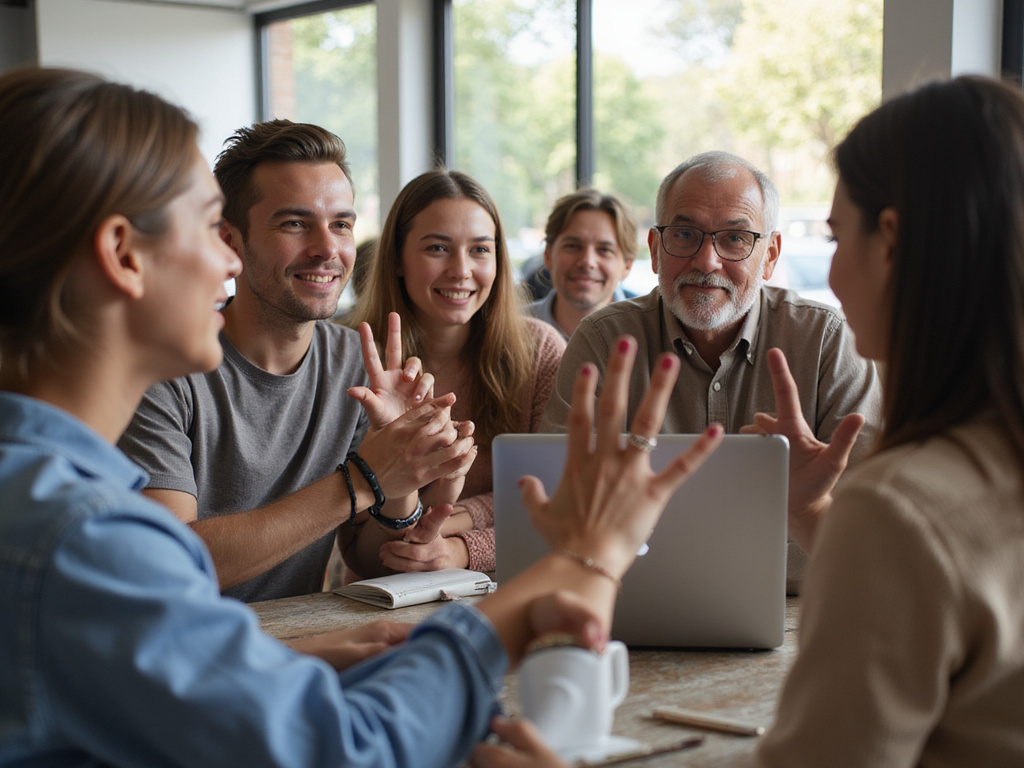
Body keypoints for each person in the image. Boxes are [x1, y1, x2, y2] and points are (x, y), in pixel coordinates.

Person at [0, 65, 725, 768]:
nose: (225, 258)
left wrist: (279, 653)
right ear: (125, 256)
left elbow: (140, 657)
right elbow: (351, 748)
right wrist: (581, 561)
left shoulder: (44, 496)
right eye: (208, 224)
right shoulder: (78, 537)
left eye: (344, 223)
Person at [744, 74, 1024, 767]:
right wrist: (815, 516)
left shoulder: (899, 506)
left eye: (839, 237)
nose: (832, 276)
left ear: (891, 241)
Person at [118, 119, 475, 602]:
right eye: (294, 223)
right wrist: (362, 479)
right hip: (175, 653)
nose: (328, 249)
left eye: (342, 225)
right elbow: (172, 561)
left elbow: (368, 559)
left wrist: (400, 481)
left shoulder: (355, 364)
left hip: (295, 643)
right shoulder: (164, 368)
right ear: (230, 240)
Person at [540, 151, 883, 592]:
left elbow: (869, 533)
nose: (706, 261)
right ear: (655, 249)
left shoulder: (826, 341)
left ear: (770, 254)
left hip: (794, 613)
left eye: (735, 239)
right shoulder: (604, 340)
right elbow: (556, 510)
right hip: (634, 608)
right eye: (685, 234)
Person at [346, 169, 566, 575]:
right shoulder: (353, 360)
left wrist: (459, 544)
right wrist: (410, 484)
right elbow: (363, 558)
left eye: (480, 250)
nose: (461, 270)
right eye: (437, 248)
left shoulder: (540, 351)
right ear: (396, 257)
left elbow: (558, 507)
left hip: (510, 592)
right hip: (382, 607)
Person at [524, 188, 637, 340]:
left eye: (604, 250)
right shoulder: (510, 330)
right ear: (548, 255)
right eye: (572, 246)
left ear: (627, 266)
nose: (587, 261)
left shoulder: (650, 335)